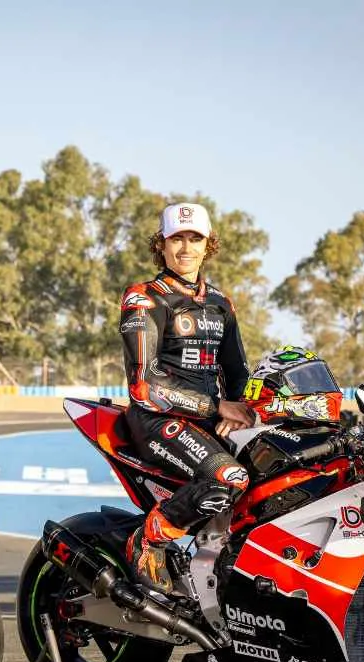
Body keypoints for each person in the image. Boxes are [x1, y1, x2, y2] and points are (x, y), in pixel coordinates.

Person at [119, 202, 256, 594]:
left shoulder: (221, 303)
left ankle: (219, 572)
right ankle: (148, 540)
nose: (185, 247)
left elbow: (237, 373)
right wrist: (217, 408)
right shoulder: (144, 298)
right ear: (160, 245)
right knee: (228, 477)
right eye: (176, 238)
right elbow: (144, 386)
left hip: (208, 421)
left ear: (207, 244)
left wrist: (241, 410)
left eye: (194, 238)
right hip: (154, 419)